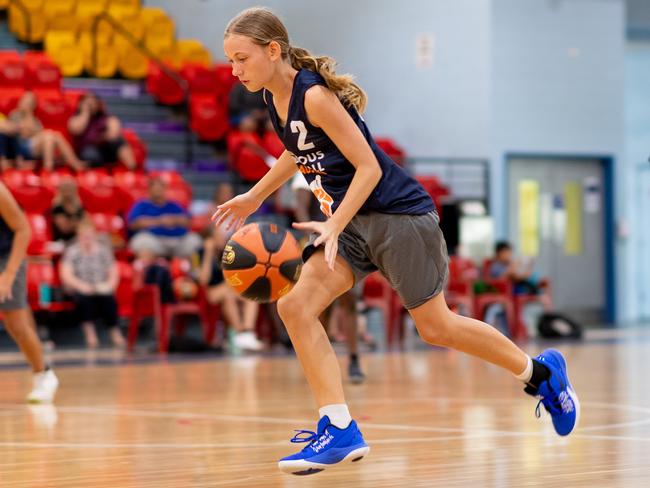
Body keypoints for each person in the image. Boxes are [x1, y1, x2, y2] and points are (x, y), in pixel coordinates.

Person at [216, 7, 579, 476]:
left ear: (272, 50)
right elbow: (297, 149)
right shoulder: (272, 96)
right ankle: (339, 426)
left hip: (399, 217)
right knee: (295, 306)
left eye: (241, 58)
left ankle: (541, 373)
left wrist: (332, 223)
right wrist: (253, 196)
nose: (234, 70)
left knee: (435, 328)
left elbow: (367, 168)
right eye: (230, 62)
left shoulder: (317, 97)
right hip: (350, 225)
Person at [291, 173, 364, 383]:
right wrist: (314, 234)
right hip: (319, 240)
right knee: (319, 306)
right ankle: (321, 363)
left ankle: (354, 359)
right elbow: (301, 207)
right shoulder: (305, 168)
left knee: (349, 301)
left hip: (348, 238)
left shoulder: (346, 164)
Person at [0, 181, 59, 403]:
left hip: (7, 258)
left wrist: (8, 275)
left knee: (16, 324)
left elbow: (23, 229)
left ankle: (44, 374)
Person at [59, 218, 125, 349]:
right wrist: (80, 285)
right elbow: (66, 274)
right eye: (84, 236)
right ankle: (90, 335)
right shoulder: (72, 251)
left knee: (109, 298)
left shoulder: (103, 250)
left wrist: (109, 286)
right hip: (80, 286)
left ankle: (115, 333)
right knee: (84, 299)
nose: (87, 239)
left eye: (89, 236)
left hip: (101, 285)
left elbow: (113, 271)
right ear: (78, 236)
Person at [198, 224, 263, 352]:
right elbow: (203, 281)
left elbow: (233, 276)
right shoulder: (200, 252)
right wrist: (208, 253)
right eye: (219, 236)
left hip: (228, 290)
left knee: (250, 295)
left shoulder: (228, 252)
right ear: (209, 240)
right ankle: (240, 335)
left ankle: (246, 333)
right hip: (210, 292)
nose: (223, 238)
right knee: (228, 293)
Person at [6, 92, 84, 172]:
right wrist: (26, 126)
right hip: (21, 147)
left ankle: (53, 166)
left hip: (35, 146)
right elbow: (19, 133)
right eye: (25, 101)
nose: (27, 104)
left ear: (33, 105)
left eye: (30, 102)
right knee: (49, 135)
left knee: (55, 136)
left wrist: (29, 116)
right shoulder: (15, 114)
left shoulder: (36, 119)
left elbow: (35, 132)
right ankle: (54, 168)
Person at [127, 177, 202, 259]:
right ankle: (147, 270)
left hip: (178, 240)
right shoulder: (142, 205)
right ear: (149, 190)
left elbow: (187, 221)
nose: (157, 191)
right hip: (154, 241)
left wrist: (173, 220)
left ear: (164, 189)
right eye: (155, 188)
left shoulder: (173, 205)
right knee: (141, 241)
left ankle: (190, 270)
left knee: (194, 240)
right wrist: (159, 221)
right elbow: (133, 224)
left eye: (160, 188)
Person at [67, 93, 136, 170]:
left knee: (118, 141)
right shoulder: (75, 118)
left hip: (105, 149)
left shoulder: (106, 118)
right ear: (80, 105)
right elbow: (76, 130)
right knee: (89, 153)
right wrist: (85, 113)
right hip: (86, 151)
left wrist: (101, 138)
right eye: (88, 103)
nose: (91, 105)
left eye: (93, 103)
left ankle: (132, 168)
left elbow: (114, 133)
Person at [51, 177, 85, 244]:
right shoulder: (57, 207)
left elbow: (86, 225)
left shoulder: (79, 206)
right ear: (61, 191)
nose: (68, 192)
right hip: (62, 241)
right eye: (66, 189)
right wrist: (77, 223)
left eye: (70, 189)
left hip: (79, 241)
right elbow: (65, 229)